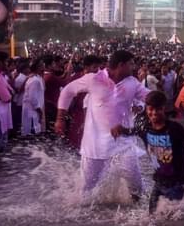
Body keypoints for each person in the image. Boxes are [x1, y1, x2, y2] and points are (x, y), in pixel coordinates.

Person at [55, 50, 150, 199]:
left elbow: (148, 97)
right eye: (131, 64)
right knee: (87, 189)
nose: (134, 67)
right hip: (95, 143)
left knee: (136, 184)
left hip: (123, 142)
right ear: (121, 65)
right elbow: (67, 91)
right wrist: (60, 118)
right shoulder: (93, 79)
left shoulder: (132, 83)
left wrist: (149, 104)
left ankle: (139, 215)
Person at [112, 91, 184, 214]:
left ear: (164, 108)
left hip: (178, 181)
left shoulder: (173, 129)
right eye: (151, 109)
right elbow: (131, 131)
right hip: (159, 180)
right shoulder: (144, 128)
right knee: (152, 215)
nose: (154, 113)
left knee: (169, 216)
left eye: (158, 109)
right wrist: (120, 129)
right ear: (146, 109)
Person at [21, 58, 45, 136]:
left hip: (36, 110)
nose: (44, 65)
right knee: (32, 135)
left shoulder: (38, 78)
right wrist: (39, 110)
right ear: (38, 67)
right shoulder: (34, 80)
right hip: (32, 111)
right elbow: (33, 98)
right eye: (42, 64)